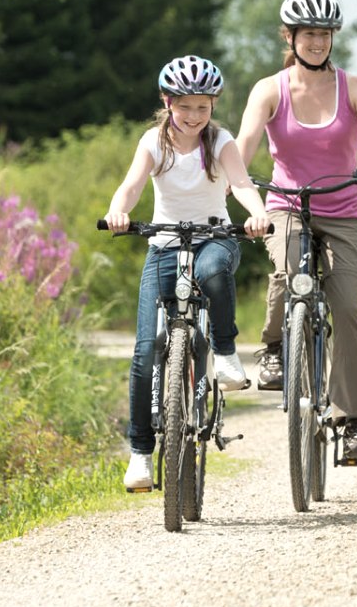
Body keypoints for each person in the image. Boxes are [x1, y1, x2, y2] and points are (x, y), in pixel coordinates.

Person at [236, 0, 357, 462]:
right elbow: (246, 140)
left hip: (345, 209)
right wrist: (237, 183)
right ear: (290, 36)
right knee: (290, 273)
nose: (317, 42)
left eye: (325, 34)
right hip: (286, 205)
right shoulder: (271, 89)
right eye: (309, 34)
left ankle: (351, 423)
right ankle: (273, 347)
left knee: (348, 307)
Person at [104, 55, 272, 493]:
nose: (194, 116)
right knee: (144, 353)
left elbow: (241, 184)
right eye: (185, 106)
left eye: (203, 106)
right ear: (167, 101)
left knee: (214, 270)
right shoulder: (153, 142)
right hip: (163, 244)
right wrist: (118, 212)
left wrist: (257, 215)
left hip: (214, 237)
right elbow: (133, 185)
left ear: (213, 105)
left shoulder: (219, 142)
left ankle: (228, 354)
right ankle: (141, 454)